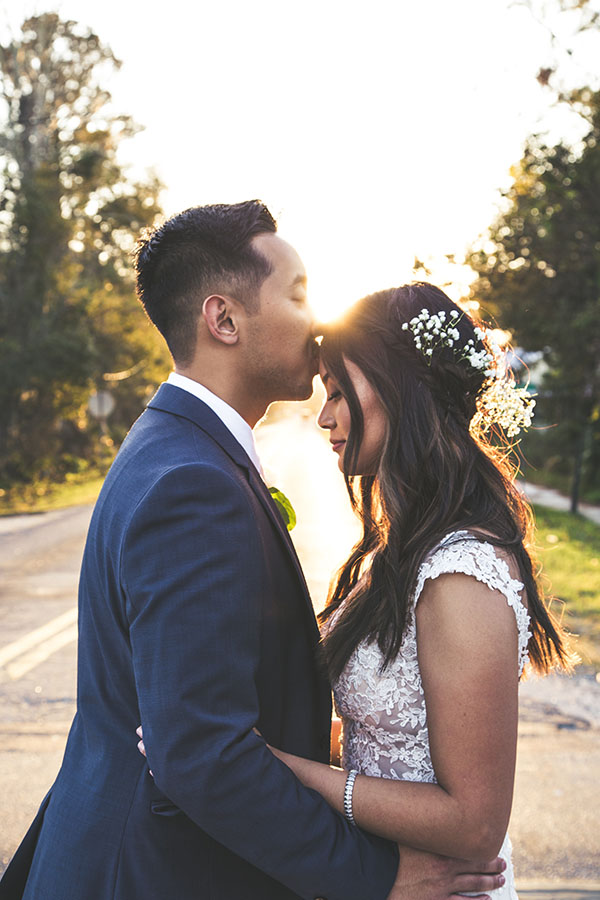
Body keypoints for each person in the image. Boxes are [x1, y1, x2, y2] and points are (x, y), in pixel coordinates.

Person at [0, 203, 506, 900]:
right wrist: (377, 878)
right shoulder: (192, 483)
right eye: (297, 294)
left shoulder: (178, 450)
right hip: (150, 875)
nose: (316, 318)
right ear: (225, 320)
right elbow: (203, 755)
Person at [243, 282, 574, 899]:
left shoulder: (459, 574)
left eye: (339, 392)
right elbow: (391, 731)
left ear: (404, 388)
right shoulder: (403, 553)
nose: (324, 418)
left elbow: (475, 823)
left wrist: (289, 772)